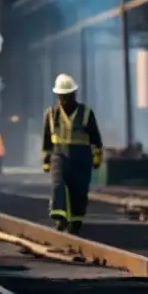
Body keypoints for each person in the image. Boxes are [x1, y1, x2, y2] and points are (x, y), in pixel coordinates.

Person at [41, 74, 102, 234]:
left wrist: (96, 157)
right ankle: (60, 217)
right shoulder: (51, 114)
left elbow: (95, 138)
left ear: (74, 94)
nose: (64, 99)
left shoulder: (86, 113)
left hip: (81, 157)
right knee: (58, 185)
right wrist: (46, 160)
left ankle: (75, 223)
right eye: (61, 96)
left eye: (67, 95)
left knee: (79, 190)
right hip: (59, 155)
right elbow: (47, 140)